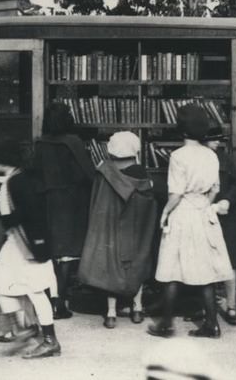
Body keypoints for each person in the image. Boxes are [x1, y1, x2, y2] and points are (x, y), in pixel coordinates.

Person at [149, 104, 234, 339]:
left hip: (183, 213)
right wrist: (204, 202)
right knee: (205, 270)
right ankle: (212, 323)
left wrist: (165, 213)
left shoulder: (177, 156)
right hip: (203, 212)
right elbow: (215, 188)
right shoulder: (211, 155)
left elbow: (175, 193)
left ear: (181, 129)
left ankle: (166, 323)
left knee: (172, 267)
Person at [0, 134, 62, 359]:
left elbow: (19, 215)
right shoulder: (20, 177)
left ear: (1, 159)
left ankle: (48, 340)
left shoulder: (16, 182)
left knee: (35, 291)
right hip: (19, 243)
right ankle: (23, 328)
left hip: (26, 245)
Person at [78, 131, 156, 328]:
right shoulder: (141, 173)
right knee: (136, 265)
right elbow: (149, 203)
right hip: (135, 230)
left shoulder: (104, 171)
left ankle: (111, 313)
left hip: (111, 228)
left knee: (111, 268)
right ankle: (137, 309)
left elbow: (97, 202)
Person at [34, 101, 93, 319]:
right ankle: (61, 302)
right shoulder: (73, 142)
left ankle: (51, 298)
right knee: (67, 253)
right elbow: (87, 174)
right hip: (72, 201)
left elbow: (35, 174)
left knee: (54, 253)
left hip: (48, 201)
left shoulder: (40, 144)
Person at [207, 131, 236, 327]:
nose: (216, 142)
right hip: (205, 215)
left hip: (225, 217)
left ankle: (231, 306)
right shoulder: (199, 160)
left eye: (219, 139)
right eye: (213, 138)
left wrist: (227, 200)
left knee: (230, 261)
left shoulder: (225, 159)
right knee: (204, 261)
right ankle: (206, 306)